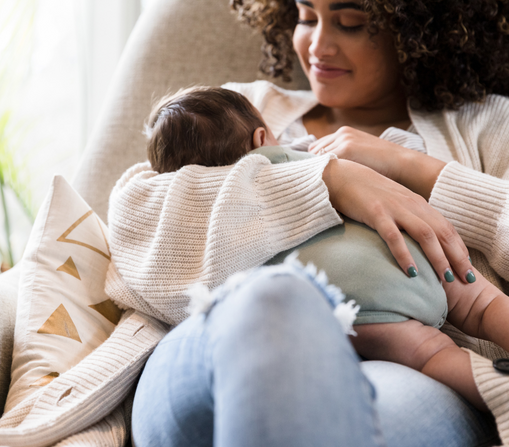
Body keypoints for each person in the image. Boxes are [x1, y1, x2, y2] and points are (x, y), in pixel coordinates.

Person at [104, 0, 509, 445]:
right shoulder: (240, 106)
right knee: (274, 297)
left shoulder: (486, 126)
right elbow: (132, 218)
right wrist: (328, 179)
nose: (318, 45)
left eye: (351, 23)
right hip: (214, 346)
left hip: (401, 378)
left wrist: (413, 168)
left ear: (419, 30)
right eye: (305, 17)